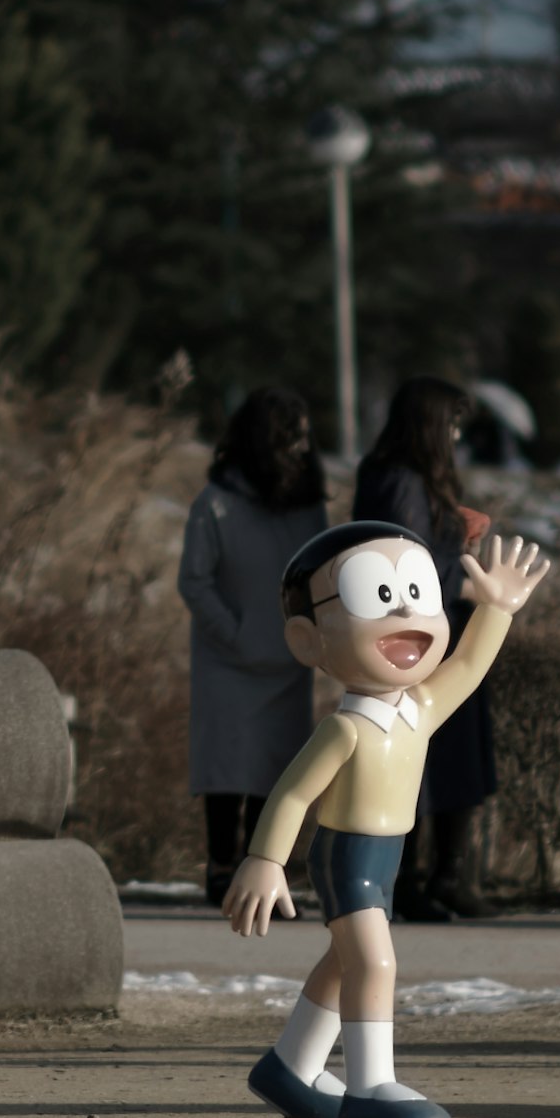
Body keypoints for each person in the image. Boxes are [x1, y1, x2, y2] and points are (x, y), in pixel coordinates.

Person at [223, 517, 556, 1118]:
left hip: (387, 857)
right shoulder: (344, 729)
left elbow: (471, 665)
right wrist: (266, 860)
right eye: (378, 596)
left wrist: (496, 610)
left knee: (345, 962)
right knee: (374, 965)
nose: (405, 613)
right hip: (346, 857)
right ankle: (372, 1085)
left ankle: (292, 1064)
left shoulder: (419, 710)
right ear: (310, 639)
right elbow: (293, 794)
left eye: (418, 593)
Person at [353, 377, 500, 920]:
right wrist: (464, 576)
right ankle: (413, 880)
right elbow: (402, 569)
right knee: (420, 760)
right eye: (453, 423)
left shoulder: (411, 478)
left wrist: (460, 538)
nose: (458, 435)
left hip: (439, 632)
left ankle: (444, 875)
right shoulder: (398, 480)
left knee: (453, 756)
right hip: (414, 639)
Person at [179, 388, 332, 906]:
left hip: (289, 657)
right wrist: (234, 631)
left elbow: (320, 575)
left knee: (277, 767)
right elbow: (194, 581)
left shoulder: (309, 503)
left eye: (304, 437)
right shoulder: (215, 502)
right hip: (228, 660)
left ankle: (263, 870)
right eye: (291, 436)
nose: (302, 446)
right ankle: (221, 869)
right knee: (225, 768)